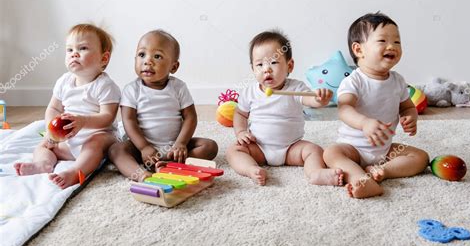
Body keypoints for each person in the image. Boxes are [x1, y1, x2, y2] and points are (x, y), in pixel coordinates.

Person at [323, 12, 429, 198]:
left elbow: (407, 107)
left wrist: (410, 117)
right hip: (352, 148)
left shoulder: (397, 81)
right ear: (358, 50)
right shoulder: (354, 81)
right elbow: (344, 108)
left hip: (384, 149)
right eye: (382, 40)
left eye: (397, 42)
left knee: (421, 158)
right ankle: (360, 179)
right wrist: (364, 123)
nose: (392, 46)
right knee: (331, 154)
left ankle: (382, 171)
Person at [226, 30, 341, 186]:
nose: (266, 69)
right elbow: (240, 114)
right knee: (233, 151)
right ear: (253, 69)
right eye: (259, 64)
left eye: (273, 62)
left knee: (314, 150)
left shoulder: (295, 87)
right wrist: (241, 132)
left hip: (291, 148)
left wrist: (320, 99)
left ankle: (316, 173)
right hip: (259, 147)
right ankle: (251, 169)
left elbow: (310, 100)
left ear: (289, 65)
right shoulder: (249, 92)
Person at [14, 24, 121, 189]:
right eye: (69, 50)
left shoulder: (105, 85)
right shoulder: (64, 81)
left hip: (98, 136)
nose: (74, 54)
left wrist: (83, 122)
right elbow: (54, 109)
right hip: (68, 139)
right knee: (44, 145)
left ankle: (76, 172)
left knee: (96, 143)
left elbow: (108, 117)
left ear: (103, 59)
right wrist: (52, 130)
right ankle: (43, 164)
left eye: (83, 48)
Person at [109, 29, 218, 181]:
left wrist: (181, 143)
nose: (147, 61)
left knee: (210, 146)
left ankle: (167, 165)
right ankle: (141, 175)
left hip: (173, 147)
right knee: (116, 150)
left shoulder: (178, 87)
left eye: (157, 56)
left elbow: (190, 117)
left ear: (173, 67)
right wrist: (144, 147)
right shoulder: (131, 89)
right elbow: (129, 120)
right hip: (142, 148)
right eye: (142, 55)